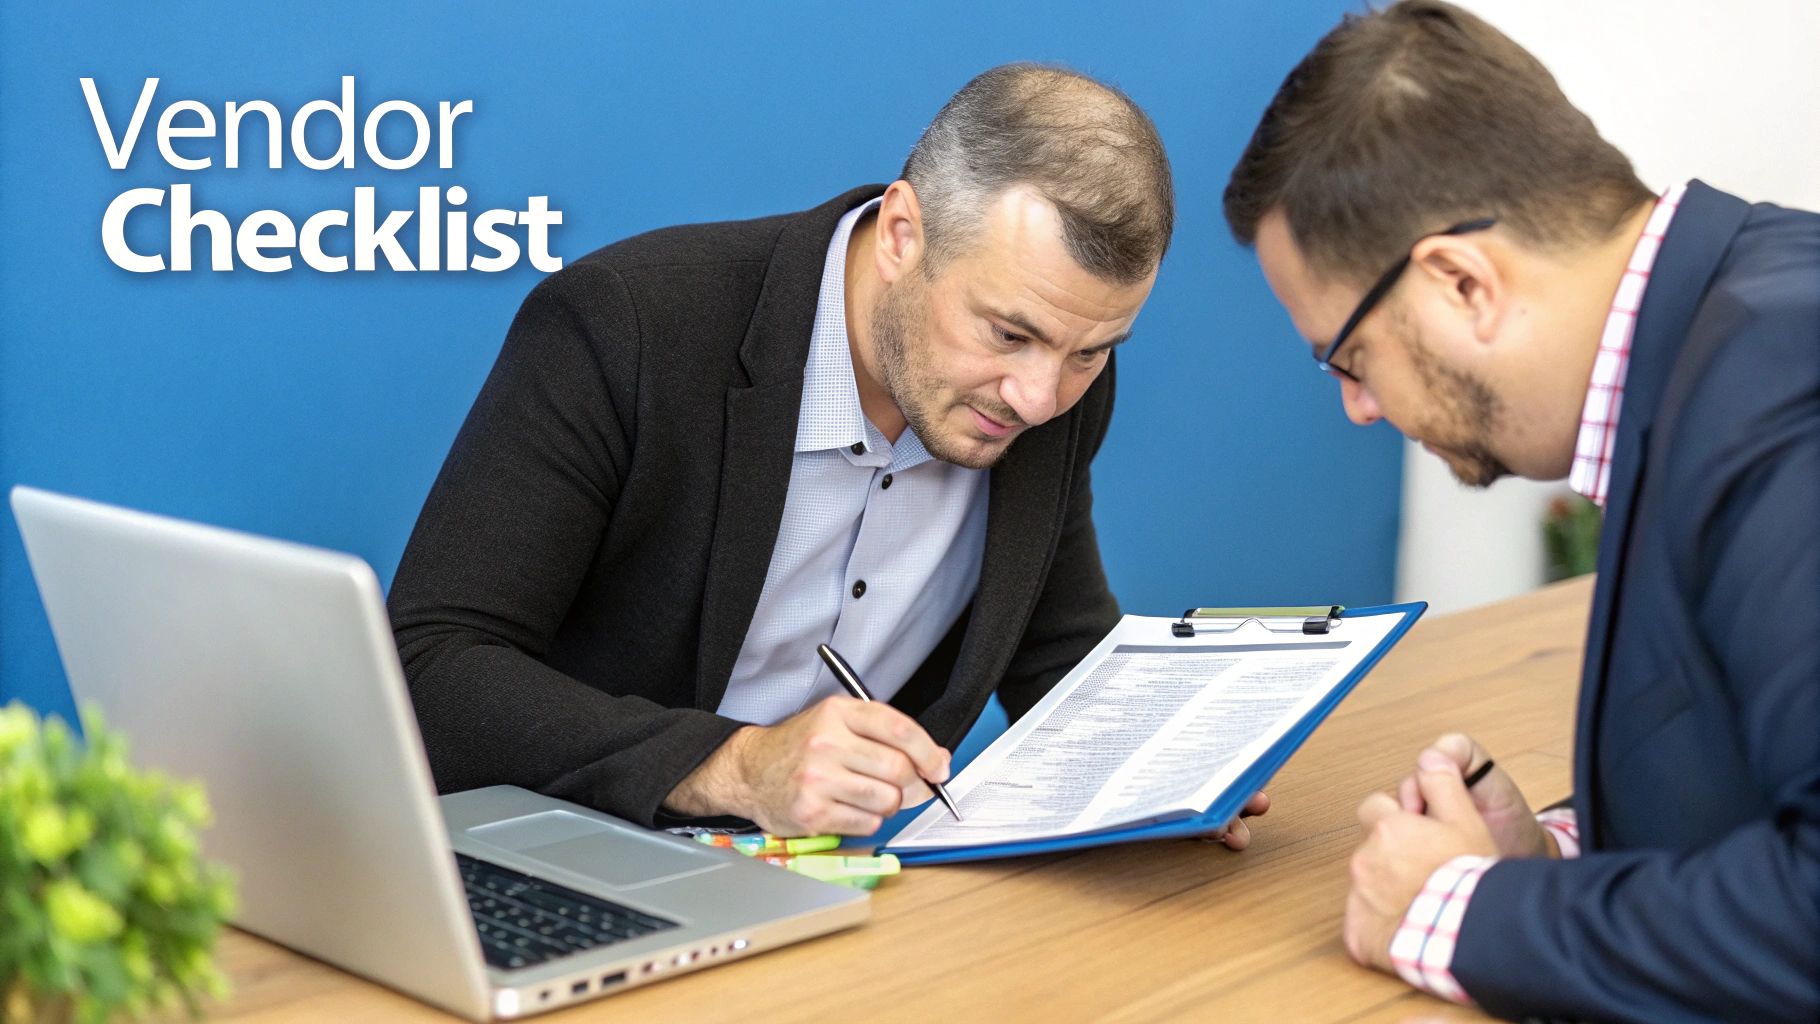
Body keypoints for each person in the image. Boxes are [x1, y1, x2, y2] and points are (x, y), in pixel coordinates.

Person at [391, 63, 1269, 847]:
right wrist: (738, 767)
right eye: (1008, 333)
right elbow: (431, 667)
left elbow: (1053, 644)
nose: (1039, 398)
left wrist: (1166, 771)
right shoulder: (628, 326)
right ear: (902, 234)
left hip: (840, 889)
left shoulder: (1052, 384)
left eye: (1092, 351)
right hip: (572, 856)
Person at [1221, 2, 1818, 1020]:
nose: (1357, 408)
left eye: (1350, 357)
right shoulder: (1721, 340)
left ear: (1461, 282)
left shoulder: (1781, 396)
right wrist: (1556, 860)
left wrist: (1461, 913)